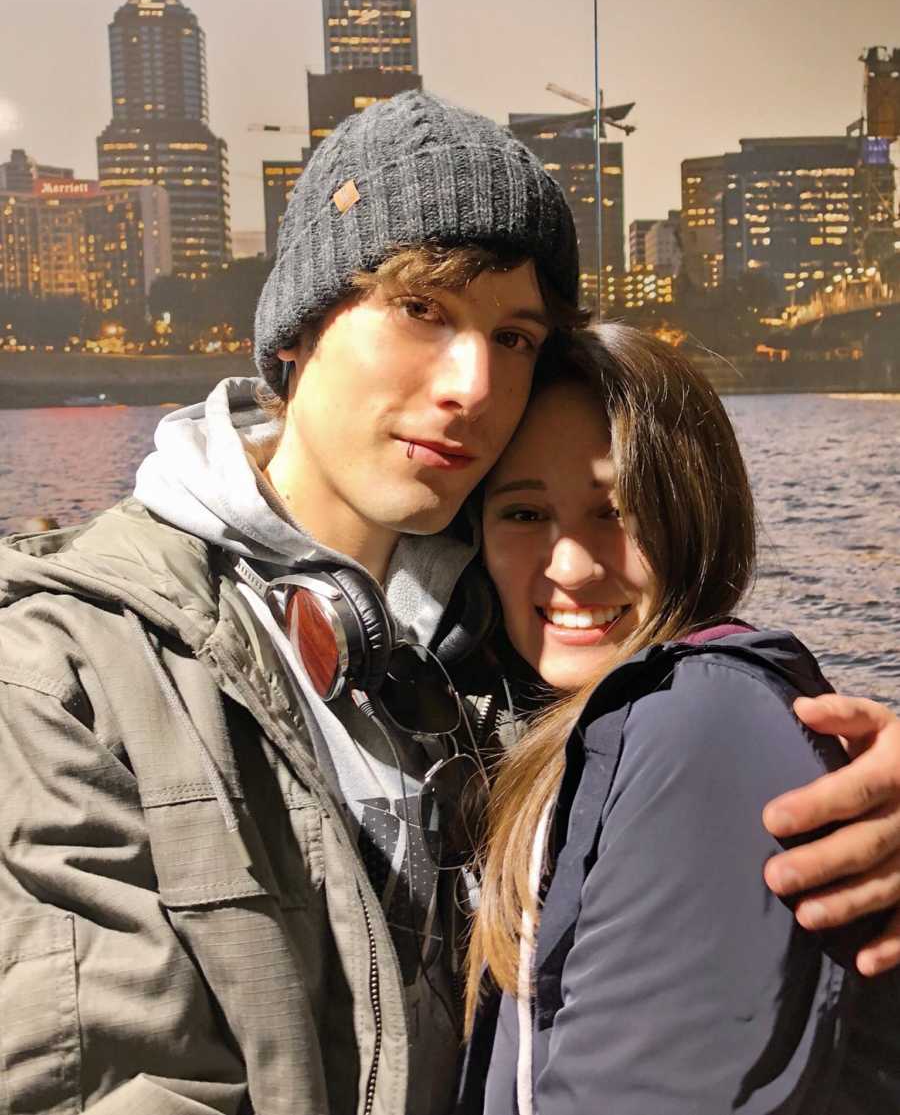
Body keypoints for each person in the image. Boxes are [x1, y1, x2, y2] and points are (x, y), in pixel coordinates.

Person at [0, 91, 897, 1115]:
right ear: (296, 332)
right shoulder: (67, 669)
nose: (473, 382)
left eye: (515, 337)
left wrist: (844, 777)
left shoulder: (527, 655)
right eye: (423, 308)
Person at [463, 323, 900, 1114]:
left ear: (694, 512)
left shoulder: (701, 728)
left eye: (616, 510)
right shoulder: (574, 729)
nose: (570, 565)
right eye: (524, 514)